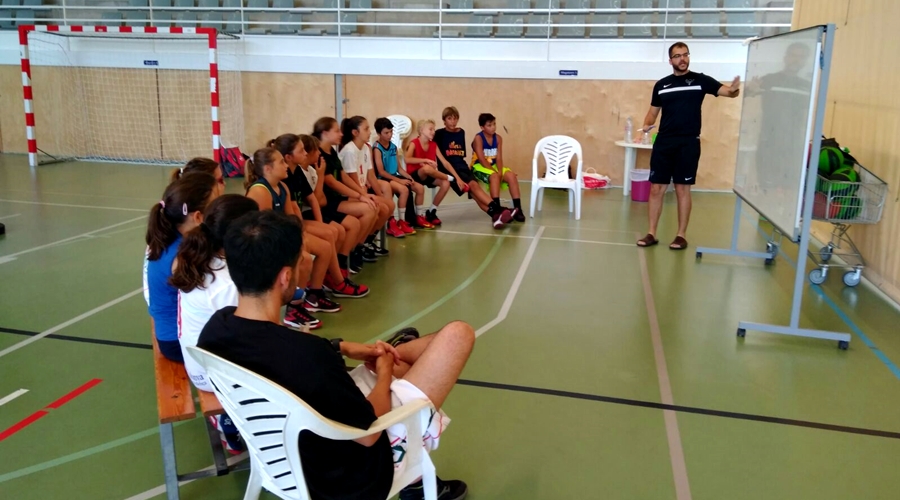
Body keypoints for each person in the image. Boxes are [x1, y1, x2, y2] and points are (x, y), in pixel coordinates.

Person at [197, 210, 473, 500]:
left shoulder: (217, 328)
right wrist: (384, 374)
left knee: (402, 358)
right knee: (458, 335)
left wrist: (339, 346)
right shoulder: (308, 355)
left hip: (280, 458)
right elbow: (368, 435)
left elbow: (275, 352)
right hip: (350, 478)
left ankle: (392, 354)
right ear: (285, 276)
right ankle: (415, 481)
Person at [635, 41, 741, 250]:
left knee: (683, 188)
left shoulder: (700, 80)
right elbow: (653, 111)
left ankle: (681, 235)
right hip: (664, 142)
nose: (682, 59)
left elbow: (727, 92)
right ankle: (651, 233)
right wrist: (646, 125)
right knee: (656, 188)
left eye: (685, 55)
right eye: (677, 56)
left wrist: (735, 89)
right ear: (670, 60)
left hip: (688, 142)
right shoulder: (662, 85)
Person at [244, 147, 349, 331]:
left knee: (324, 247)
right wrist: (294, 247)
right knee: (304, 258)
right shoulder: (260, 191)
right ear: (268, 168)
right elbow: (263, 230)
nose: (286, 166)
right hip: (264, 243)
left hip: (281, 237)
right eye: (281, 162)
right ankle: (294, 310)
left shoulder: (283, 187)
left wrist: (299, 237)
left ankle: (313, 296)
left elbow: (291, 218)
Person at [270, 133, 370, 301]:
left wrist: (320, 222)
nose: (305, 154)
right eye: (301, 151)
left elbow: (312, 199)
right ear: (288, 157)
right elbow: (295, 208)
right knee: (330, 235)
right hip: (291, 225)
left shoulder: (297, 172)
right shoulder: (284, 179)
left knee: (331, 231)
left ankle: (327, 279)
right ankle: (329, 284)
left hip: (298, 220)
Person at [144, 171, 222, 362]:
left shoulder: (175, 236)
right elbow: (211, 299)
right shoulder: (182, 256)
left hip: (177, 333)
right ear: (198, 217)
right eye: (215, 204)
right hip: (177, 342)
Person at [314, 117, 380, 269]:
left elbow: (342, 175)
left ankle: (353, 250)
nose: (341, 134)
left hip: (335, 199)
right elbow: (332, 182)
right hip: (326, 201)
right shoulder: (319, 155)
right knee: (368, 209)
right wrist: (359, 196)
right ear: (324, 133)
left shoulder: (331, 150)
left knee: (372, 206)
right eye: (336, 131)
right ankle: (347, 255)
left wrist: (362, 195)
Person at [434, 107, 513, 229]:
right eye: (449, 118)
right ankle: (498, 209)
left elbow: (460, 154)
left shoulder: (461, 132)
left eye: (455, 118)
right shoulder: (439, 134)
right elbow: (431, 148)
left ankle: (495, 215)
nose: (453, 121)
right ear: (444, 120)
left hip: (462, 166)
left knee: (474, 188)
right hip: (449, 170)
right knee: (472, 188)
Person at [338, 116, 395, 250]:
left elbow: (371, 175)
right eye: (366, 128)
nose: (370, 132)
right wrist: (365, 197)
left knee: (389, 205)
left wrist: (379, 194)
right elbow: (353, 181)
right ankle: (358, 245)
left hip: (360, 191)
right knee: (379, 207)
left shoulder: (364, 148)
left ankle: (367, 240)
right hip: (350, 194)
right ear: (355, 133)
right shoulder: (349, 151)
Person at [372, 117, 429, 233]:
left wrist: (408, 176)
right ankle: (399, 221)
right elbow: (381, 172)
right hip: (384, 178)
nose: (390, 135)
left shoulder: (393, 147)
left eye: (391, 131)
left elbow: (399, 168)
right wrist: (399, 181)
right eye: (386, 133)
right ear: (379, 133)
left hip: (394, 175)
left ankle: (419, 216)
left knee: (419, 188)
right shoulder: (377, 148)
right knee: (404, 190)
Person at [471, 113, 526, 223]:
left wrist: (500, 170)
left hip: (494, 165)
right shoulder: (478, 138)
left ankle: (518, 208)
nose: (493, 127)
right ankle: (498, 211)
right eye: (489, 125)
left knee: (511, 176)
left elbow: (499, 158)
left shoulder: (498, 138)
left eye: (494, 124)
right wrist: (495, 172)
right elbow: (481, 159)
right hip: (479, 166)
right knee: (495, 177)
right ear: (482, 127)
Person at [405, 119, 457, 227]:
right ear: (421, 130)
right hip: (415, 174)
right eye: (430, 129)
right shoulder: (414, 143)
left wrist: (457, 176)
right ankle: (449, 178)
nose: (433, 131)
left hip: (429, 174)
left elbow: (444, 162)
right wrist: (424, 160)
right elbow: (407, 159)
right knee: (426, 169)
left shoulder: (433, 145)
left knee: (445, 184)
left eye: (434, 129)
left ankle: (432, 211)